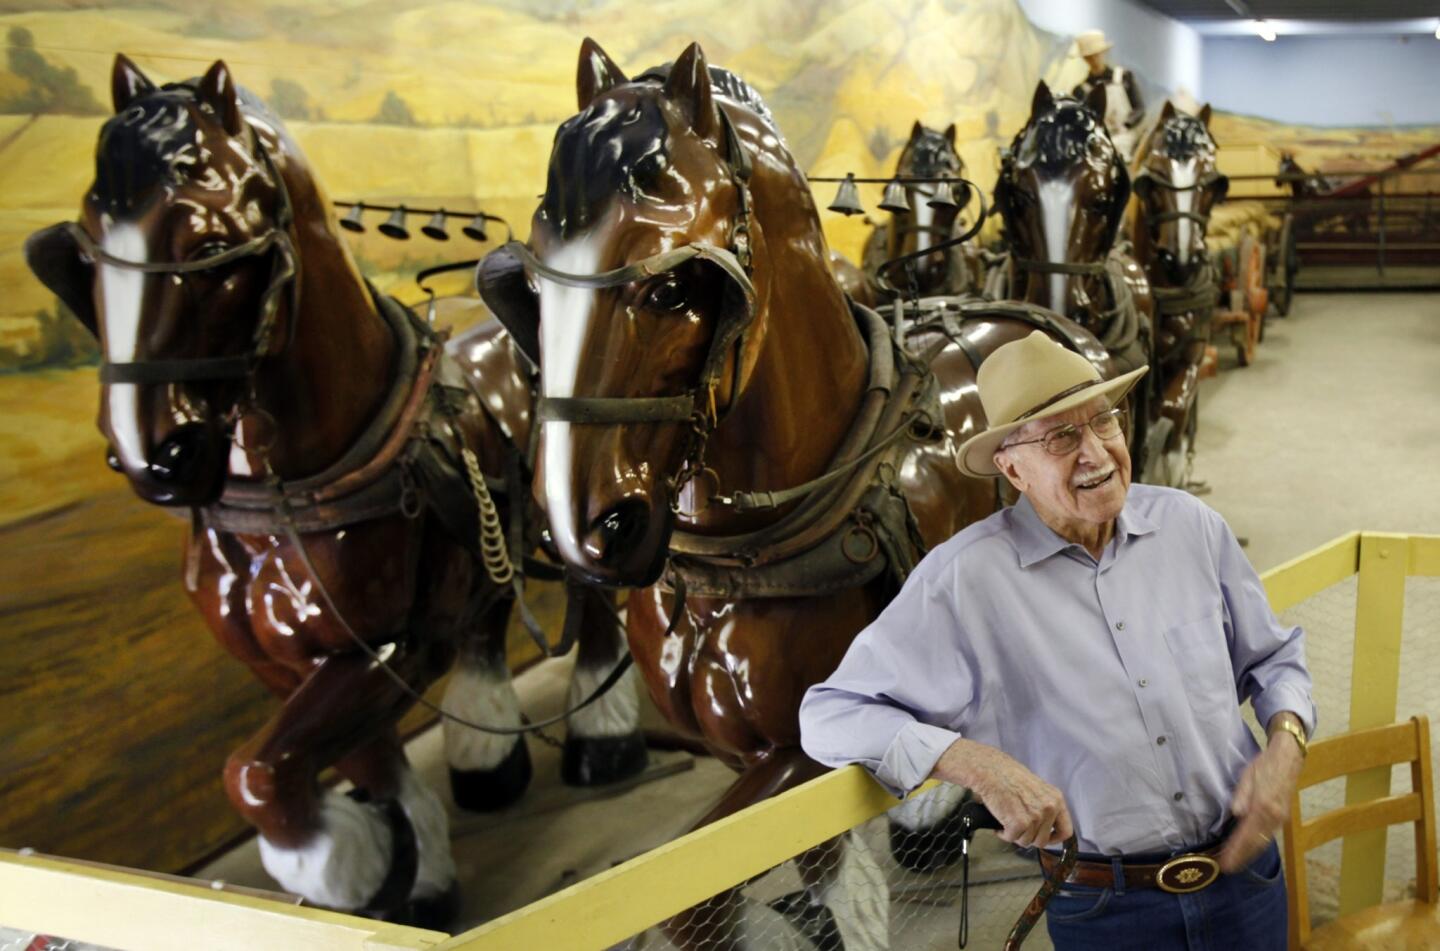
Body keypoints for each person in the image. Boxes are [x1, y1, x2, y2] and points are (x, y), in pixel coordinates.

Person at [798, 331, 1315, 949]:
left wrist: (1285, 744)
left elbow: (1274, 656)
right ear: (1012, 467)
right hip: (1107, 910)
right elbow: (830, 715)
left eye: (1104, 422)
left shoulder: (1191, 527)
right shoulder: (964, 581)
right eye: (1061, 437)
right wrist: (972, 763)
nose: (1095, 453)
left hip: (1247, 879)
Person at [1072, 30, 1145, 161]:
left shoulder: (1124, 78)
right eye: (1089, 57)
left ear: (1103, 53)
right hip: (1097, 139)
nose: (1094, 60)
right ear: (1084, 59)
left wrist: (1127, 124)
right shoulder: (1081, 90)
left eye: (1096, 55)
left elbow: (1139, 108)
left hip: (1126, 135)